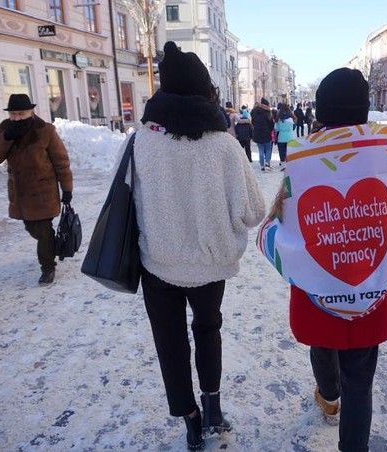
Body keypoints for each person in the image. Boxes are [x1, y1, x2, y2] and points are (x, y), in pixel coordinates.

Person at [259, 68, 387, 452]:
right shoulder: (385, 161)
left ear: (322, 111)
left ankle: (328, 396)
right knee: (361, 380)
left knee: (323, 344)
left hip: (318, 291)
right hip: (369, 290)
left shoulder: (302, 162)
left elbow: (280, 222)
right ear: (364, 110)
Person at [133, 41, 266, 451]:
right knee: (208, 331)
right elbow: (254, 212)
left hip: (158, 264)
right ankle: (212, 407)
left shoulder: (141, 142)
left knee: (169, 342)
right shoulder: (224, 146)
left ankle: (189, 421)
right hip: (210, 265)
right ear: (206, 92)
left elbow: (131, 201)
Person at [0, 93, 73, 285]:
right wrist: (6, 138)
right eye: (14, 114)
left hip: (43, 192)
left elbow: (61, 162)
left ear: (31, 112)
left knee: (43, 230)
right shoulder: (5, 130)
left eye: (21, 114)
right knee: (32, 228)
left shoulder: (45, 131)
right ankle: (51, 246)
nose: (17, 118)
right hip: (20, 194)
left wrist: (67, 189)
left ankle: (47, 268)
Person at [250, 98, 275, 172]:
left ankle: (261, 165)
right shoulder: (268, 112)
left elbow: (253, 122)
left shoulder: (254, 111)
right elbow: (271, 124)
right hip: (266, 133)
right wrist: (270, 130)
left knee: (260, 149)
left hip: (257, 133)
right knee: (268, 149)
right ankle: (267, 163)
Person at [274, 103, 296, 170]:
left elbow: (276, 129)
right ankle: (289, 163)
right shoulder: (291, 118)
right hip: (290, 137)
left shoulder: (279, 119)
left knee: (282, 151)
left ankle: (283, 164)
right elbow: (293, 128)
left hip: (281, 137)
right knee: (289, 151)